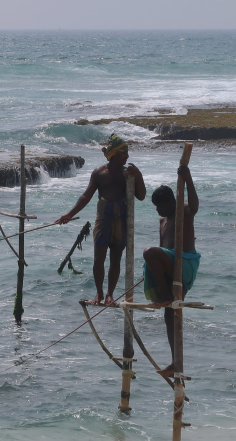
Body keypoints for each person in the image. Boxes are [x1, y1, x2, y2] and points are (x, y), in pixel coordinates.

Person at [56, 134, 146, 306]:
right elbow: (86, 196)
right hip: (103, 220)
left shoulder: (128, 174)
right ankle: (99, 293)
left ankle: (110, 295)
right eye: (124, 152)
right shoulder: (99, 173)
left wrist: (139, 175)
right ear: (114, 154)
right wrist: (69, 214)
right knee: (99, 257)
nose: (127, 156)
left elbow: (141, 196)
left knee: (116, 258)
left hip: (121, 221)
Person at [142, 166, 200, 377]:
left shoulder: (183, 210)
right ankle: (175, 362)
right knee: (170, 315)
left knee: (149, 252)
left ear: (169, 202)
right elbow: (162, 249)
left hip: (184, 262)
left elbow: (194, 205)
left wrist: (187, 177)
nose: (158, 211)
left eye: (159, 206)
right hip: (169, 265)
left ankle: (167, 296)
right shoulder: (162, 221)